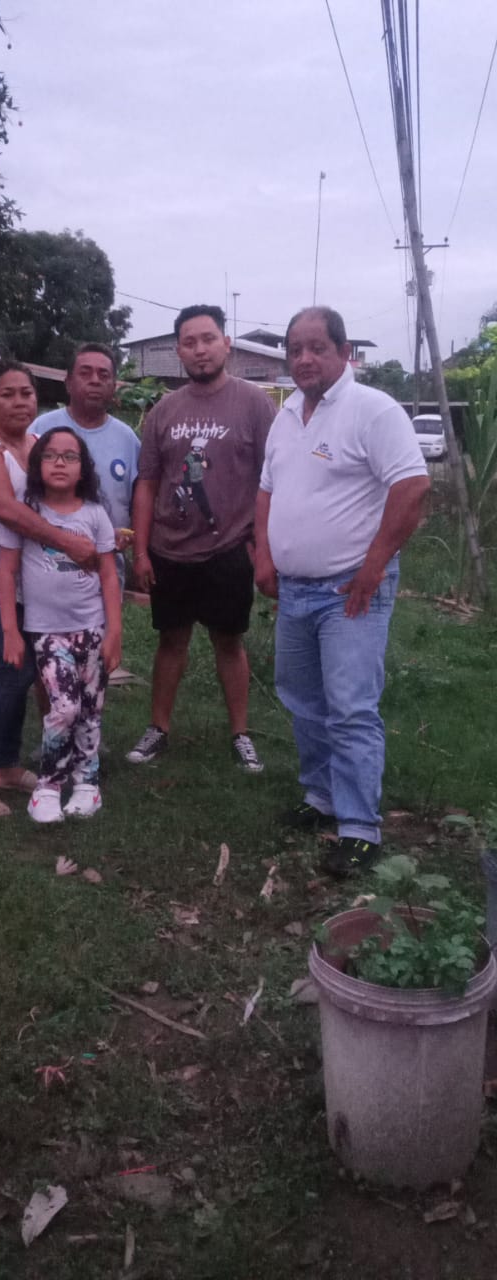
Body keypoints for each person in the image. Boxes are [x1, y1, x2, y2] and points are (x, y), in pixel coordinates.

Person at [254, 306, 430, 876]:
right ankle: (322, 796)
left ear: (344, 353)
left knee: (350, 707)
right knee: (302, 699)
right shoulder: (287, 416)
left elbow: (412, 486)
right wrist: (264, 555)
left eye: (317, 348)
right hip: (295, 590)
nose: (304, 359)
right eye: (295, 349)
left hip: (350, 589)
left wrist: (374, 566)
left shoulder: (373, 410)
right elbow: (267, 490)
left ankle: (359, 828)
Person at [127, 304, 276, 772]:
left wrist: (263, 545)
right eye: (189, 342)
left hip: (229, 547)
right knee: (171, 640)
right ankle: (157, 728)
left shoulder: (255, 404)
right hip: (169, 549)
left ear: (226, 344)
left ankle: (241, 734)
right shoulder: (163, 411)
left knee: (229, 642)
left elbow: (273, 479)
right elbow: (147, 483)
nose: (200, 349)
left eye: (208, 339)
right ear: (178, 351)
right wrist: (141, 551)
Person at [0, 361, 99, 818]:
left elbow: (52, 501)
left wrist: (94, 531)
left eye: (27, 393)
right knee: (15, 671)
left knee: (22, 670)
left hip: (21, 584)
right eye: (8, 394)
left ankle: (7, 767)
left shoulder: (33, 444)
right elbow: (7, 511)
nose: (20, 402)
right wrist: (69, 543)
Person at [0, 427, 122, 824]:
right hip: (47, 633)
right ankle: (48, 786)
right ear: (37, 465)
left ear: (83, 467)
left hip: (93, 629)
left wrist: (115, 632)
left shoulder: (95, 514)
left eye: (70, 456)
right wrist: (10, 630)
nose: (60, 463)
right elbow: (6, 572)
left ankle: (87, 784)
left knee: (90, 710)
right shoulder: (26, 514)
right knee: (64, 708)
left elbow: (109, 576)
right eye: (50, 455)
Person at [31, 343, 141, 585]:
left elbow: (138, 502)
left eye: (104, 375)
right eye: (85, 373)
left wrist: (132, 541)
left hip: (107, 569)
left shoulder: (128, 439)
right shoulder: (40, 429)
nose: (95, 380)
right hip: (46, 567)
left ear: (114, 386)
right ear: (68, 382)